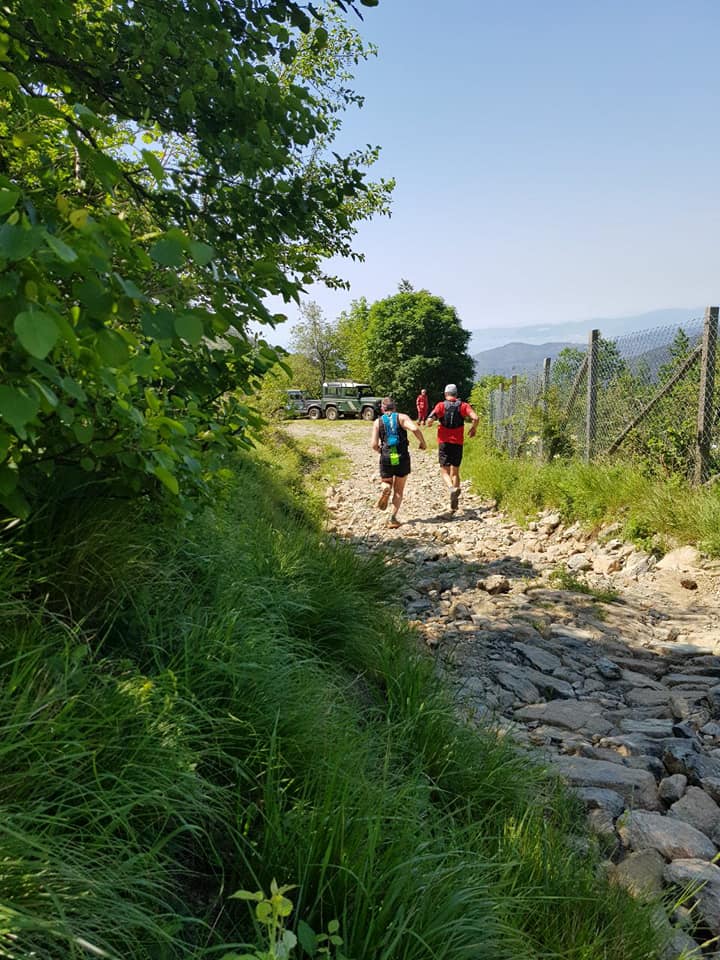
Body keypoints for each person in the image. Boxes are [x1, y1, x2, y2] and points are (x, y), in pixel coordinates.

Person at [371, 397, 426, 528]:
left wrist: (381, 451)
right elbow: (415, 429)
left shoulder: (378, 422)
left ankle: (385, 488)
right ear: (394, 407)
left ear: (382, 409)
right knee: (398, 490)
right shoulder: (402, 417)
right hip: (401, 456)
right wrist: (422, 443)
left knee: (386, 482)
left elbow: (373, 444)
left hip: (387, 456)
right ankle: (392, 518)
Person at [425, 383, 479, 512]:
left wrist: (430, 423)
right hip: (458, 443)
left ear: (445, 394)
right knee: (455, 472)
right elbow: (476, 418)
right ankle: (454, 501)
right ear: (456, 394)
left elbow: (430, 419)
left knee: (444, 471)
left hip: (444, 442)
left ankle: (451, 489)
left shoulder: (441, 405)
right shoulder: (464, 406)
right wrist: (473, 428)